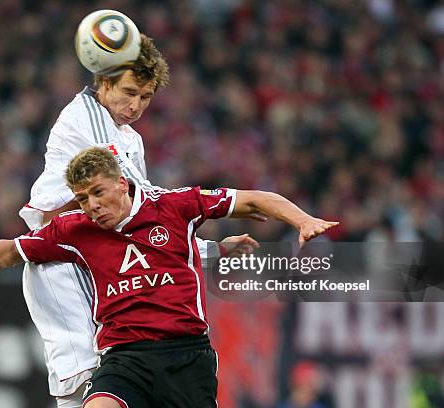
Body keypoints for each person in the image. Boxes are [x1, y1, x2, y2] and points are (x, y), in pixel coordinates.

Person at [0, 147, 338, 408]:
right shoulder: (73, 230)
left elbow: (253, 198)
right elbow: (9, 252)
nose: (92, 206)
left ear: (122, 184)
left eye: (99, 192)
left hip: (186, 357)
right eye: (83, 198)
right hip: (124, 358)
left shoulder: (176, 206)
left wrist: (302, 220)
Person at [16, 30, 262, 406]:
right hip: (64, 264)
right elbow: (146, 212)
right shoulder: (87, 117)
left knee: (109, 385)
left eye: (145, 97)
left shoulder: (129, 138)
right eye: (128, 92)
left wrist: (209, 250)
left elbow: (143, 227)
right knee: (88, 382)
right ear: (104, 78)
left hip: (102, 259)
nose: (135, 105)